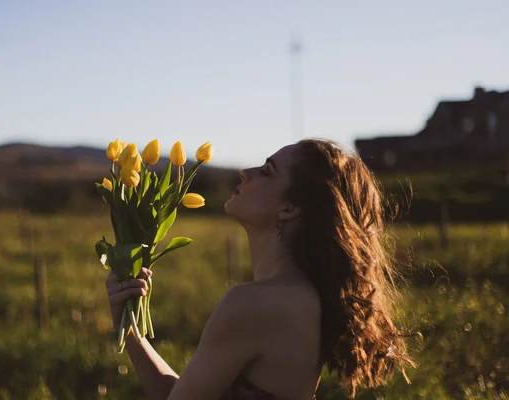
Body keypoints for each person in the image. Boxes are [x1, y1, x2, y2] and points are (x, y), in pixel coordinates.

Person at [106, 138, 416, 400]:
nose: (245, 172)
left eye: (266, 171)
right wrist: (130, 324)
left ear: (289, 208)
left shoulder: (253, 304)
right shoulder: (306, 295)